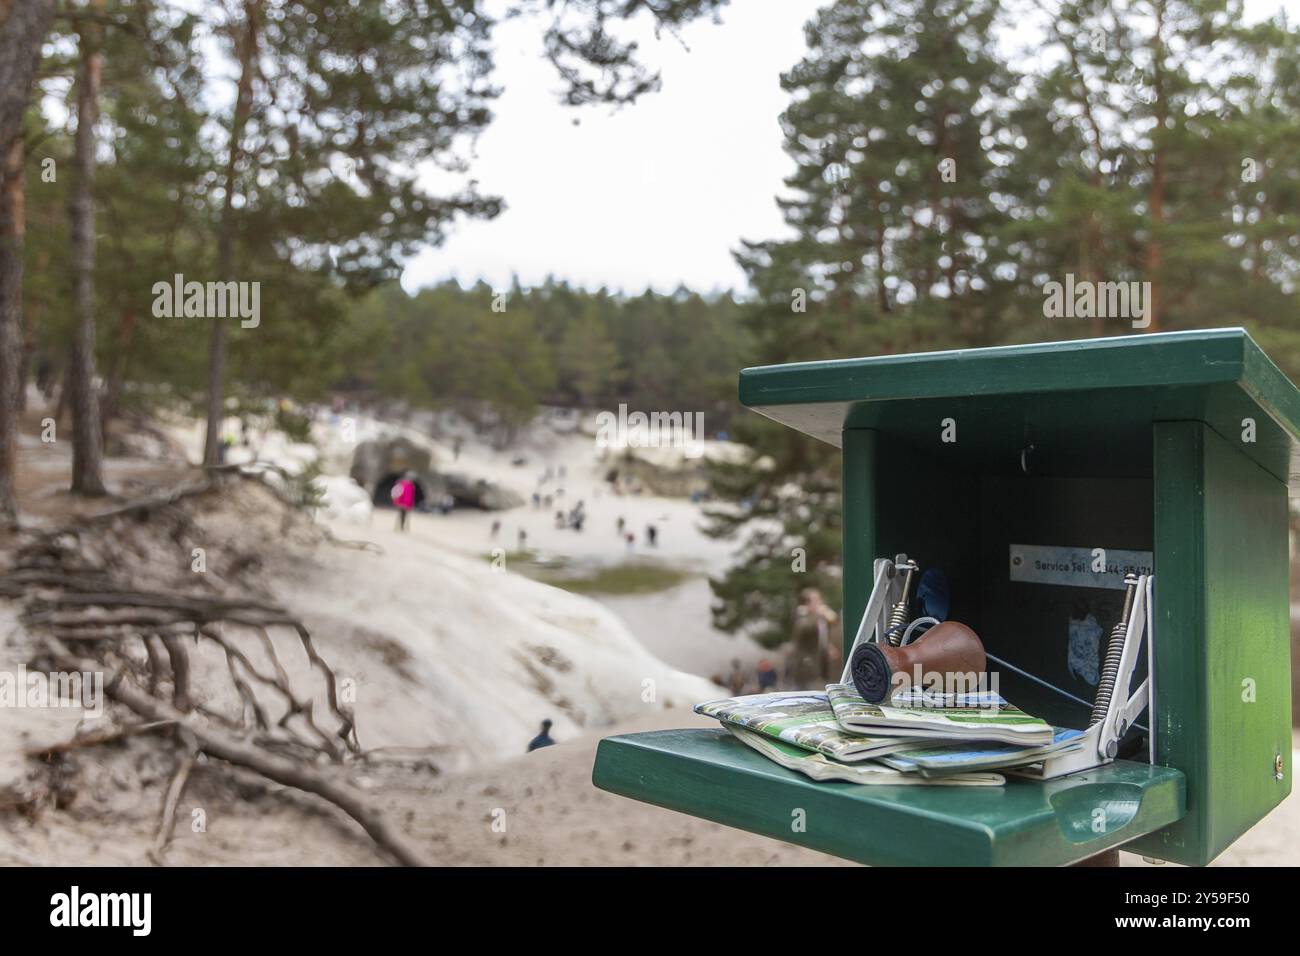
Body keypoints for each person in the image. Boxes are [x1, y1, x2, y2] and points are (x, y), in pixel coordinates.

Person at [788, 588, 839, 688]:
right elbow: (803, 629)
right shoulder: (802, 614)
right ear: (807, 603)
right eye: (816, 600)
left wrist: (828, 647)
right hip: (805, 667)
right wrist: (817, 615)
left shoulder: (820, 618)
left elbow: (821, 636)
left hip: (821, 666)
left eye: (820, 599)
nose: (820, 603)